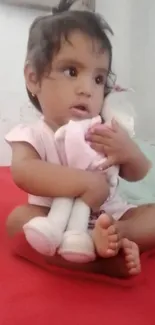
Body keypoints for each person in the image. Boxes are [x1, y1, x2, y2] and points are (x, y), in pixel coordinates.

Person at [5, 0, 154, 278]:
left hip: (109, 217)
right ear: (33, 78)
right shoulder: (33, 133)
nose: (87, 89)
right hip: (53, 221)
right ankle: (104, 263)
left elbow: (139, 172)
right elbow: (24, 172)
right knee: (17, 222)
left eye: (99, 79)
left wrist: (128, 151)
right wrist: (85, 184)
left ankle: (116, 237)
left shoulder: (101, 130)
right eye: (71, 71)